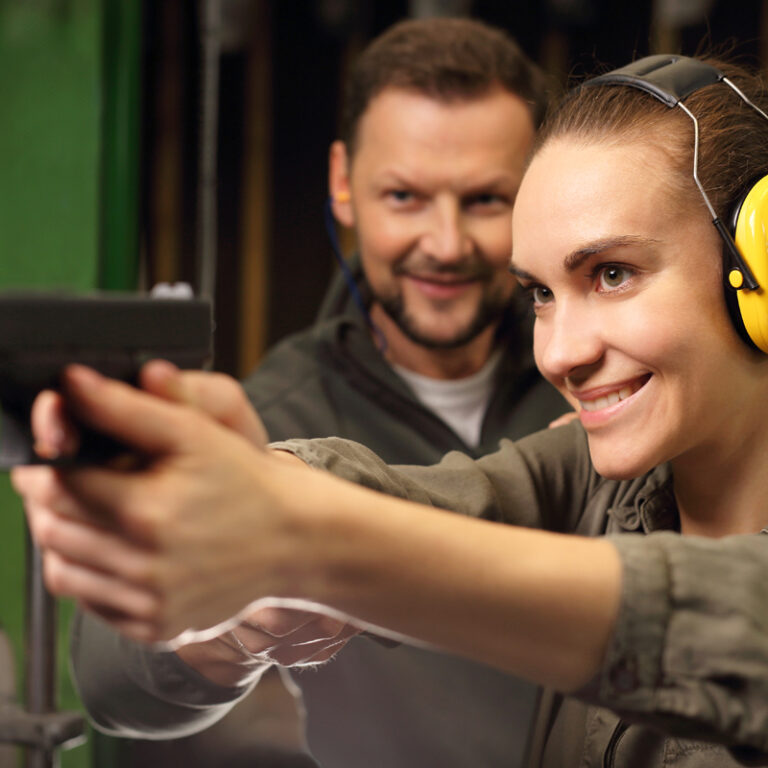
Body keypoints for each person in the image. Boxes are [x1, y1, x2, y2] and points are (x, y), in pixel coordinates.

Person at [14, 52, 768, 766]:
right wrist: (253, 488)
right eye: (539, 292)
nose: (560, 353)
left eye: (612, 273)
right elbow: (425, 498)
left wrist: (306, 538)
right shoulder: (598, 474)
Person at [142, 16, 564, 768]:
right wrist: (227, 638)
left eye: (486, 200)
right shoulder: (278, 415)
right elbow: (119, 680)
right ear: (343, 185)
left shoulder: (604, 388)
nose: (445, 243)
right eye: (404, 196)